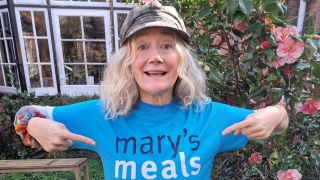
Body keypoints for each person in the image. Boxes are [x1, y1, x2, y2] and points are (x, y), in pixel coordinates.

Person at [14, 1, 288, 179]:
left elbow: (278, 119)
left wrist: (275, 115)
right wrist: (35, 124)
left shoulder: (208, 116)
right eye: (142, 46)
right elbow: (26, 113)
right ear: (128, 62)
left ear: (181, 59)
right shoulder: (104, 115)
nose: (155, 57)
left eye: (167, 46)